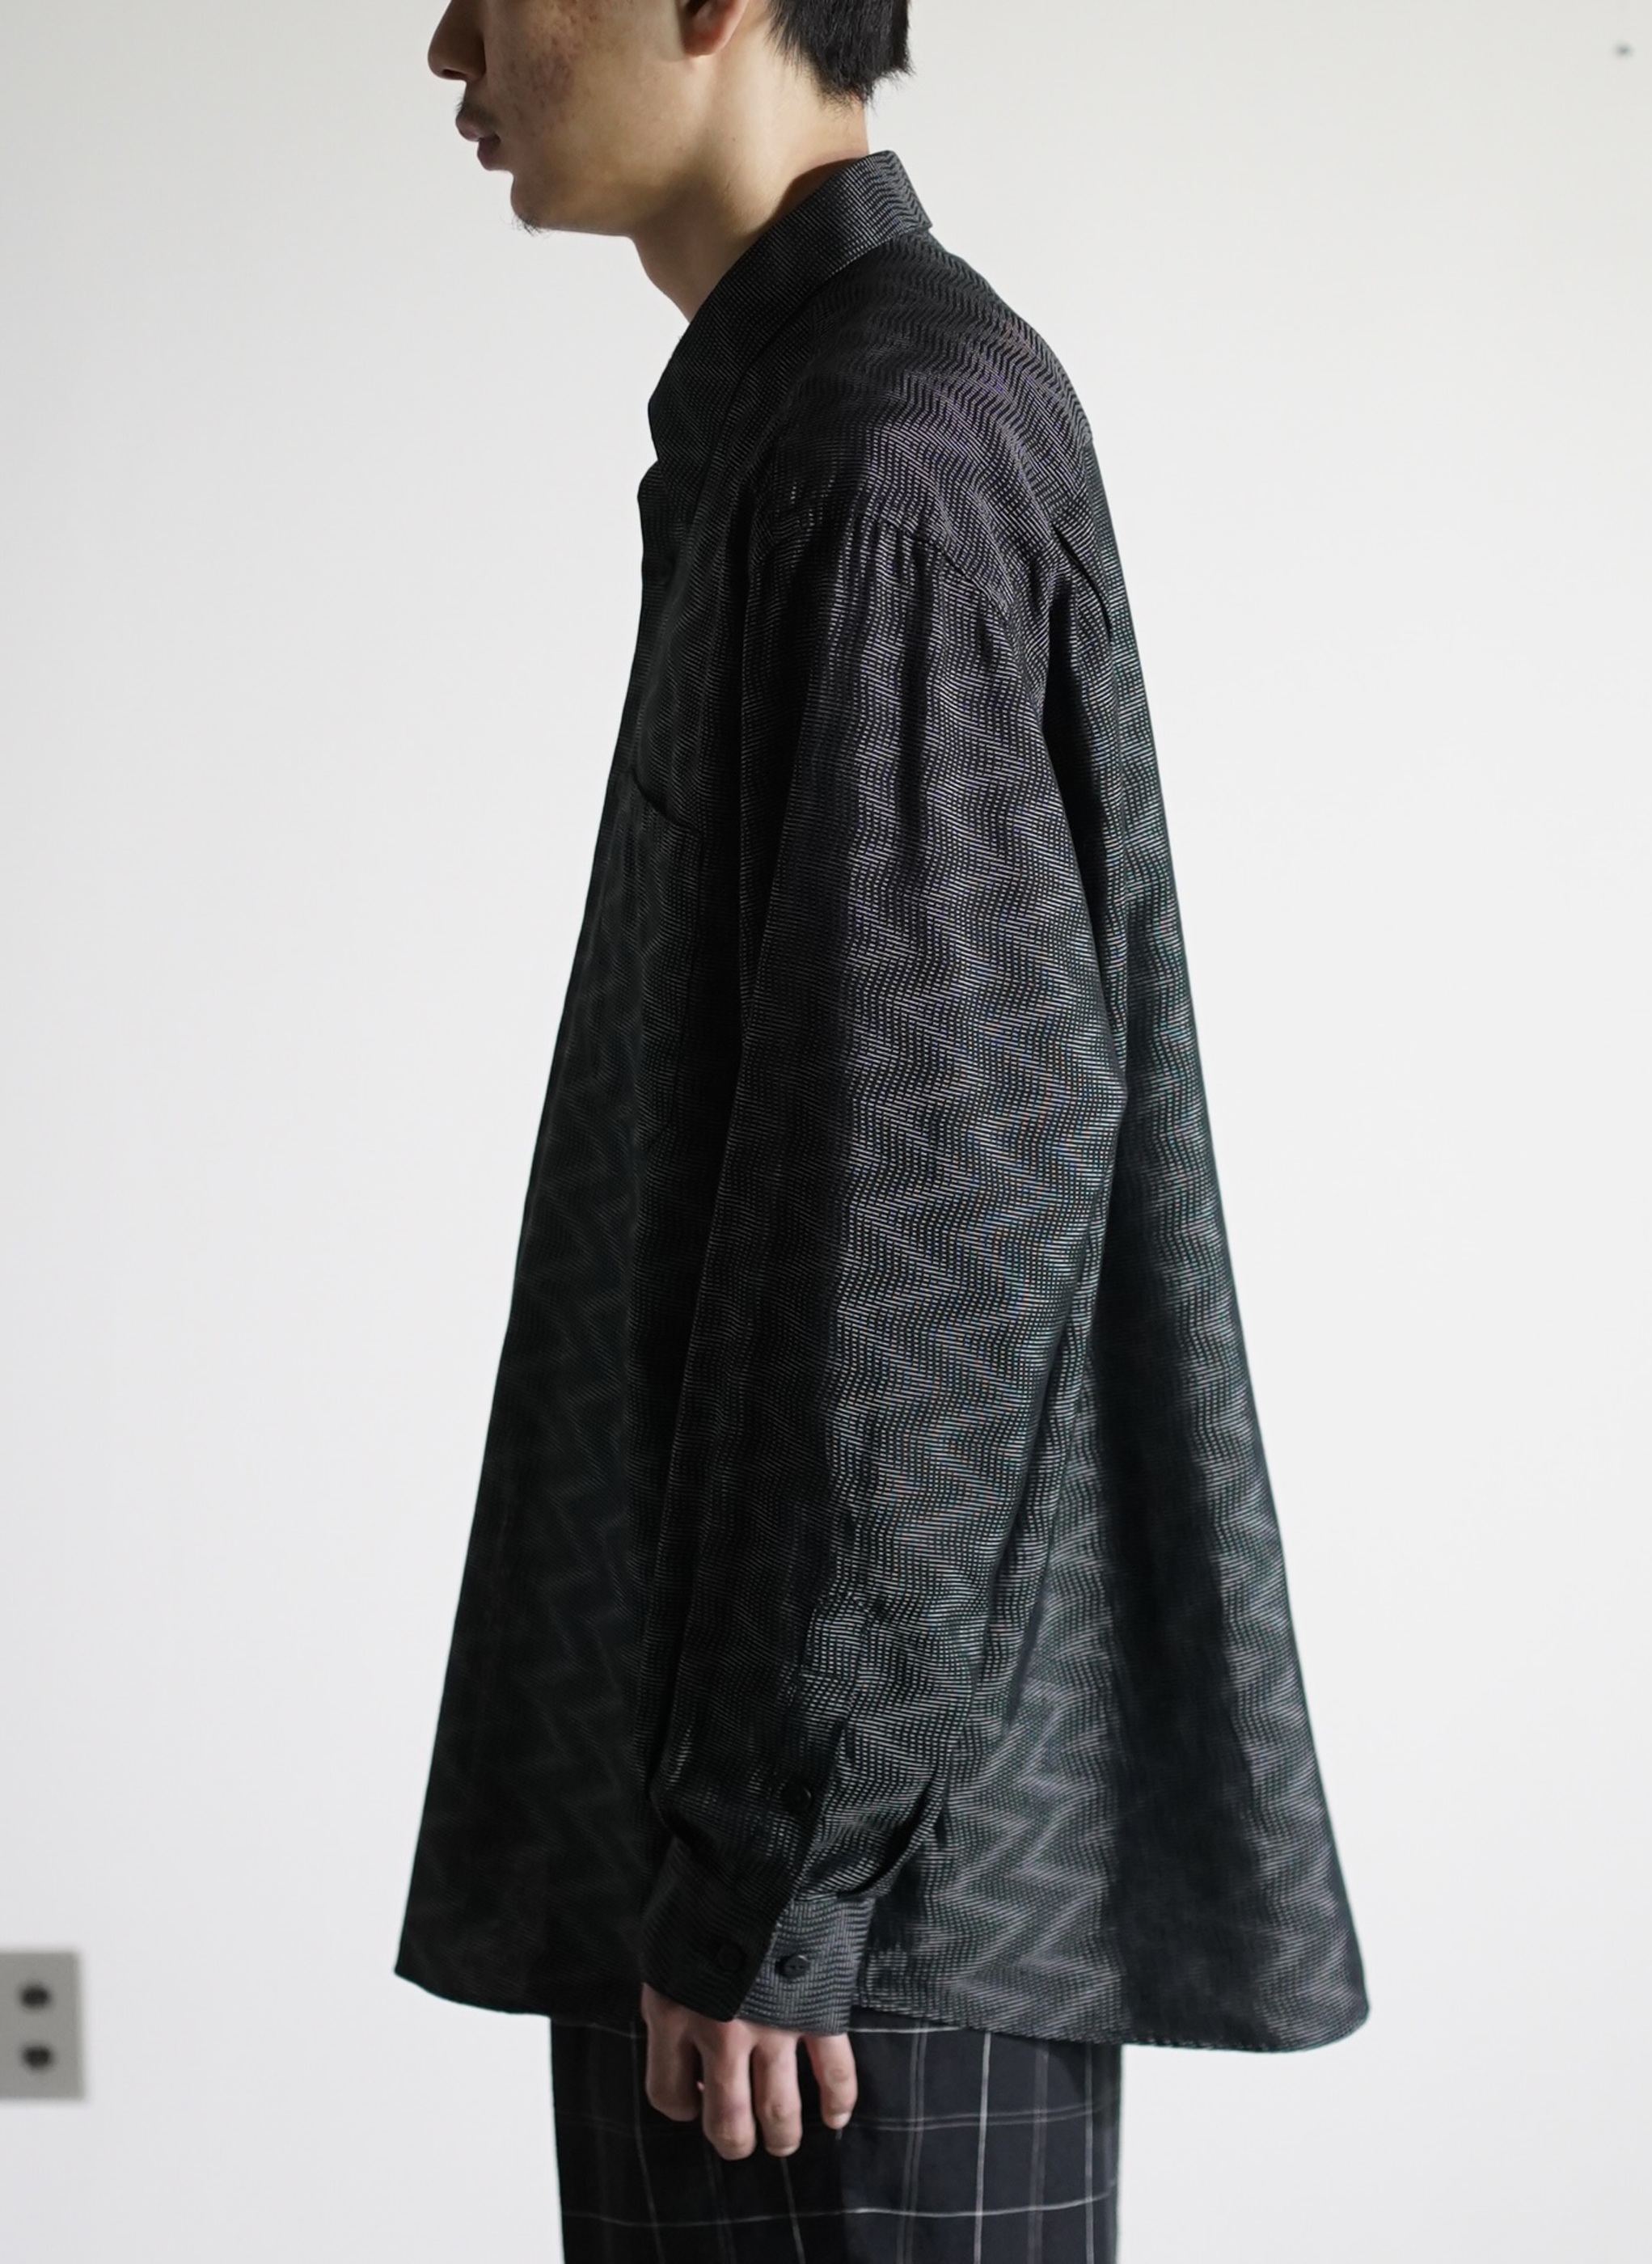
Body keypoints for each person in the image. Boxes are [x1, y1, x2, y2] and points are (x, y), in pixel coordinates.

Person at [398, 0, 1367, 2253]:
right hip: (796, 1886)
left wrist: (780, 1857)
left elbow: (924, 1206)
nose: (448, 43)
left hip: (844, 1942)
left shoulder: (889, 450)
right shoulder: (813, 423)